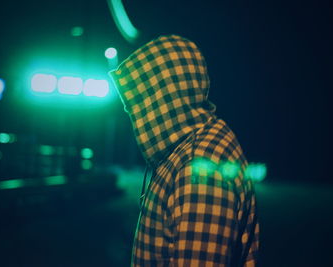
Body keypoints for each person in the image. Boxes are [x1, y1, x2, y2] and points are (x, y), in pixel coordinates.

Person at [109, 34, 259, 266]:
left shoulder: (201, 168)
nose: (134, 115)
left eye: (140, 103)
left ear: (163, 98)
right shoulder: (189, 148)